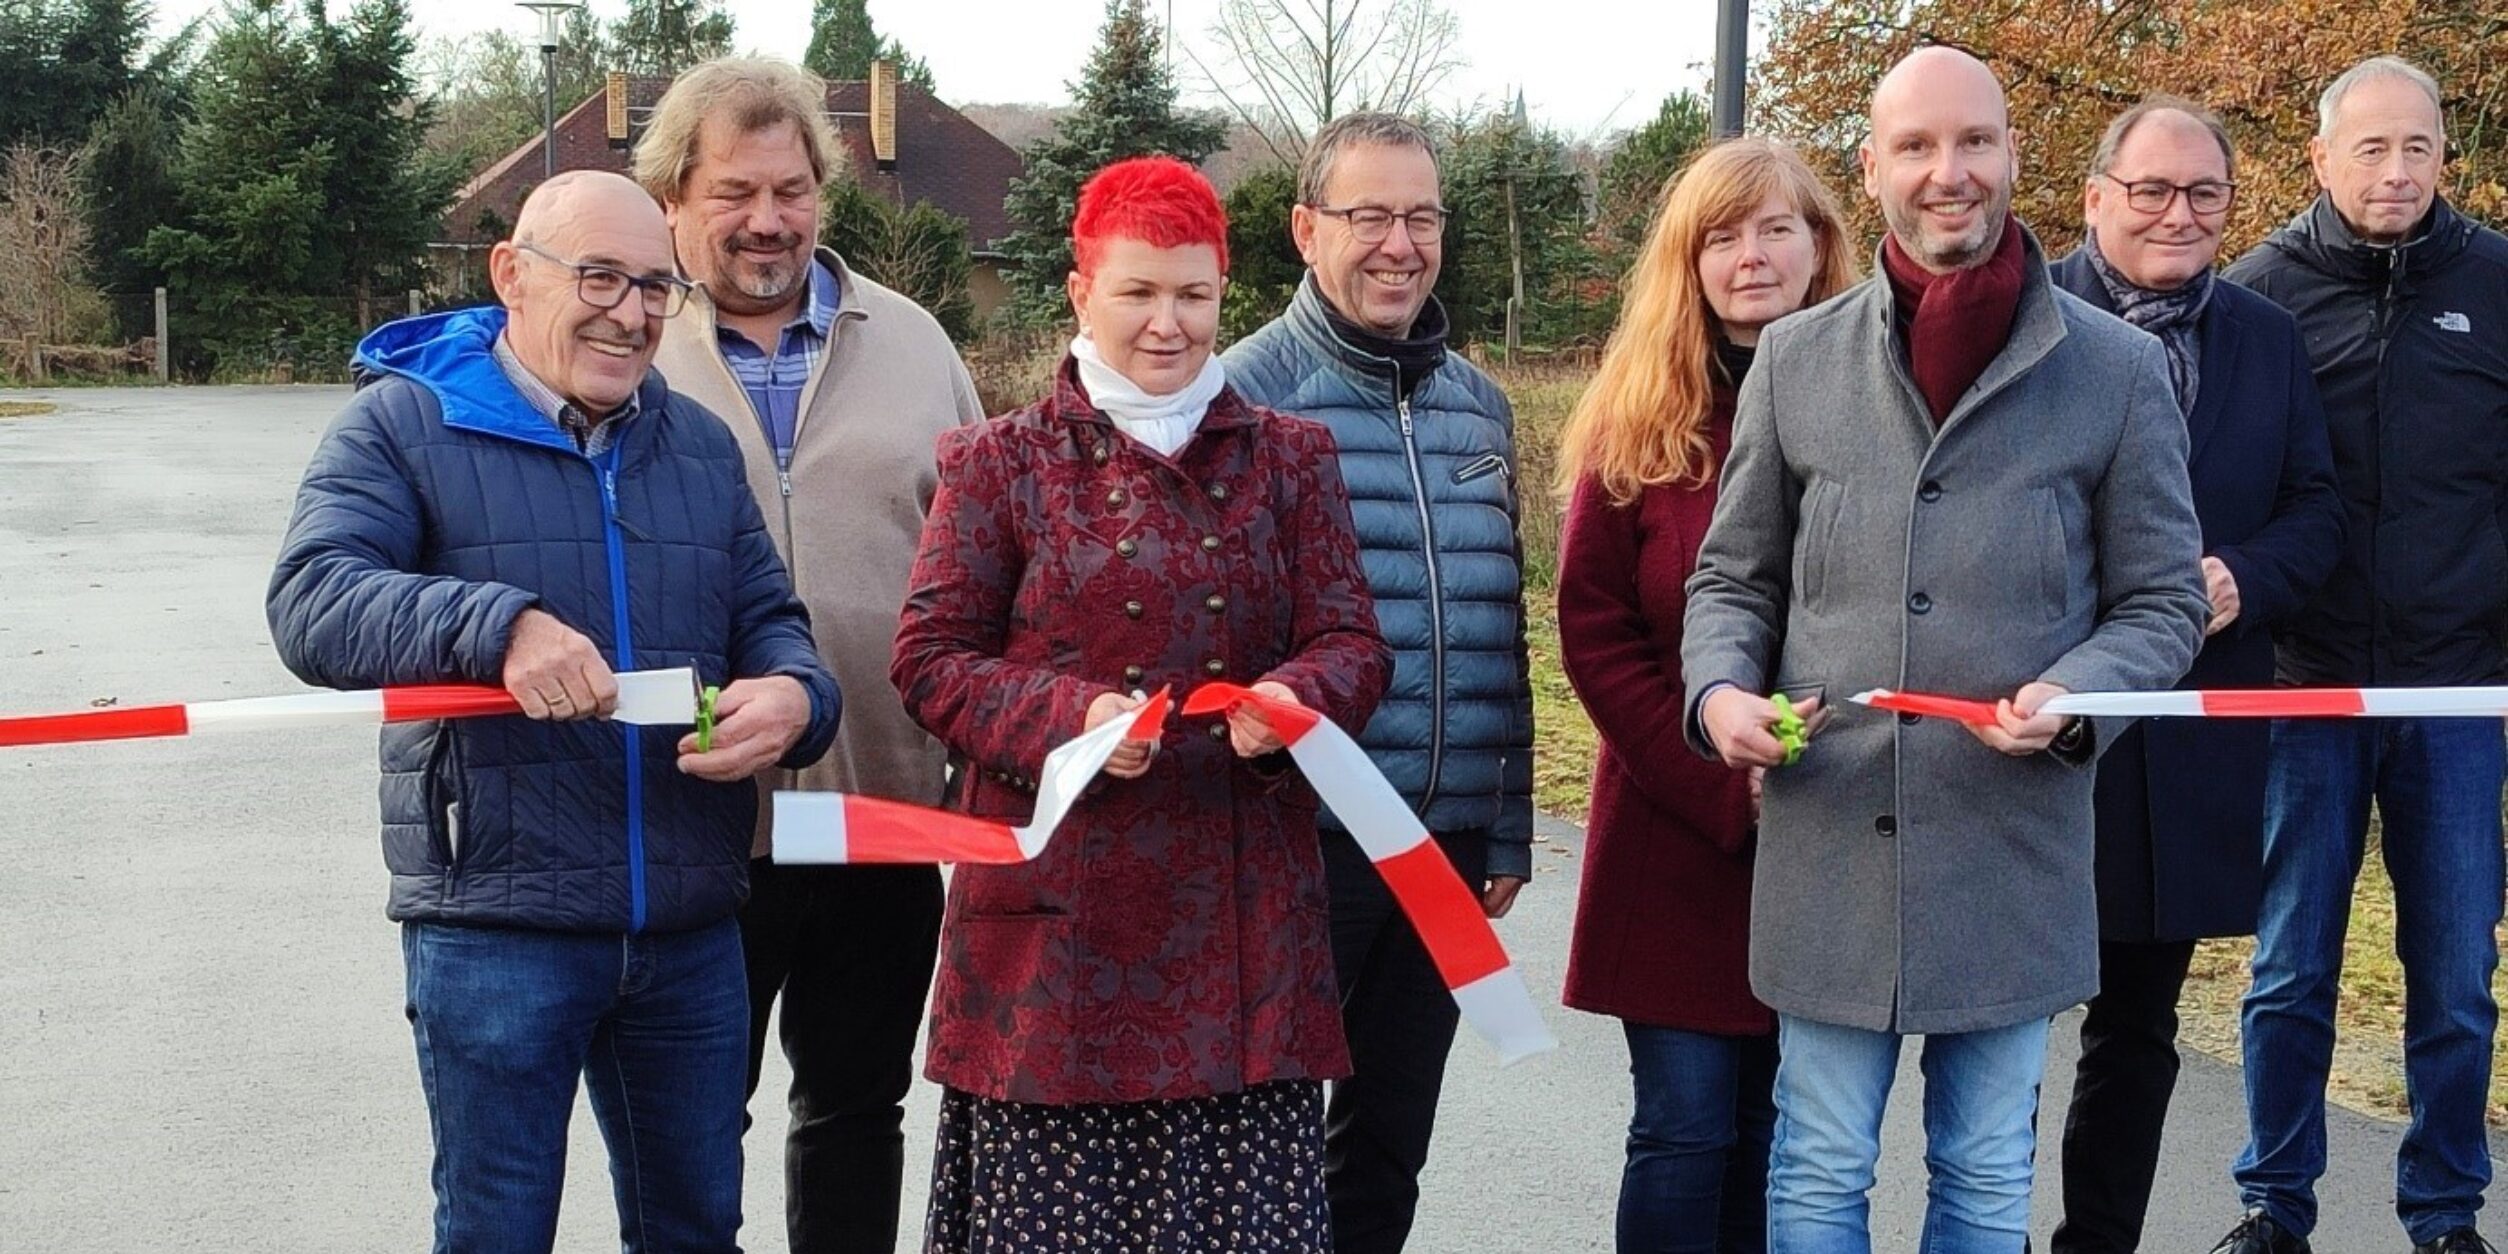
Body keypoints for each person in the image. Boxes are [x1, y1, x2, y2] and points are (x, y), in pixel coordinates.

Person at [1681, 46, 2209, 1250]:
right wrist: (1718, 694)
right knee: (1818, 1166)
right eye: (1916, 146)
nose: (1948, 171)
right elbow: (1733, 577)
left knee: (1981, 1171)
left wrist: (2079, 692)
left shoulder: (2119, 370)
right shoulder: (1795, 360)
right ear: (1872, 169)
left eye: (1974, 141)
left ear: (2014, 156)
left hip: (2011, 853)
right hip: (1830, 838)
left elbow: (2163, 602)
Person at [264, 170, 843, 1253]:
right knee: (497, 1231)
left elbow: (771, 622)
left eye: (656, 287)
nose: (631, 313)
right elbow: (312, 602)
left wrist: (794, 697)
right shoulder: (402, 423)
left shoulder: (697, 445)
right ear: (511, 275)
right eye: (600, 277)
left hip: (687, 923)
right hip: (498, 920)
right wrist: (498, 626)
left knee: (696, 1231)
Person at [891, 155, 1392, 1253]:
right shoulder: (999, 462)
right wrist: (1068, 720)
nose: (1169, 324)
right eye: (1139, 292)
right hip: (1056, 954)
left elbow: (1353, 642)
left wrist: (1294, 700)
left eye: (1193, 295)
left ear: (1223, 294)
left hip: (1242, 932)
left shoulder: (1293, 459)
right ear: (1082, 292)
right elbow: (929, 658)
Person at [636, 57, 982, 1254]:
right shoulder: (631, 344)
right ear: (672, 199)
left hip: (882, 810)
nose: (768, 219)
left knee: (856, 1113)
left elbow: (993, 560)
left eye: (791, 190)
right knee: (690, 1122)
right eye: (734, 192)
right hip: (694, 825)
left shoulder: (915, 343)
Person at [2210, 56, 2508, 1254]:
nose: (2396, 171)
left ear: (2444, 157)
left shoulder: (2497, 285)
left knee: (2455, 979)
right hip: (2304, 688)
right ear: (2321, 159)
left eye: (2417, 148)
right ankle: (2274, 1206)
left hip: (2459, 692)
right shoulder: (2257, 296)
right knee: (2290, 970)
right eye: (2371, 149)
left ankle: (2445, 1212)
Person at [1223, 111, 1534, 1254]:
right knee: (1263, 1141)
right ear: (1307, 230)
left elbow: (1501, 627)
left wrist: (1505, 823)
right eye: (1370, 217)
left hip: (1443, 844)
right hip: (1298, 840)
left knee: (1390, 1140)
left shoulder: (1481, 408)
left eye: (1422, 218)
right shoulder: (1241, 396)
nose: (1400, 245)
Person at [2040, 97, 2346, 1254]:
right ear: (2095, 197)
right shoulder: (2029, 316)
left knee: (2138, 1032)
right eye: (2152, 190)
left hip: (2189, 743)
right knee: (1997, 1030)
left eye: (2204, 192)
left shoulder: (2267, 338)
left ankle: (2097, 1243)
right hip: (2044, 727)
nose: (2179, 213)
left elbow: (2316, 511)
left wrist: (2243, 578)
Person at [1554, 136, 1857, 1254]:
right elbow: (1594, 632)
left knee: (1789, 1137)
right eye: (1721, 237)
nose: (1751, 256)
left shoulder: (1873, 408)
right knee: (1685, 1130)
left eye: (1776, 228)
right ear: (1687, 262)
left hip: (1830, 830)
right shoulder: (1637, 423)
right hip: (1671, 832)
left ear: (1820, 245)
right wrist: (1717, 783)